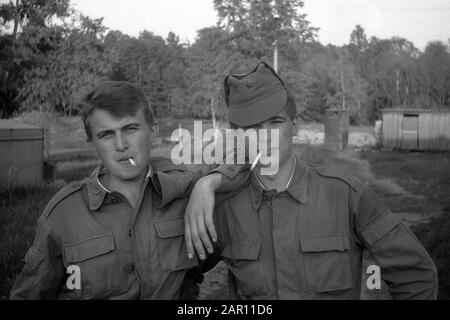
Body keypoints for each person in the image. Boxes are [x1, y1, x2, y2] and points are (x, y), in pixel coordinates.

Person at [184, 62, 438, 299]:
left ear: (295, 125)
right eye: (250, 127)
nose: (264, 137)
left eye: (275, 122)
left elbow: (415, 274)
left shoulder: (344, 196)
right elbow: (178, 274)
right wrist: (205, 183)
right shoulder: (224, 208)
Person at [10, 81, 244, 299]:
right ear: (91, 141)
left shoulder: (185, 191)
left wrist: (208, 183)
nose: (121, 145)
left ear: (153, 129)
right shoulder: (63, 215)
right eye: (106, 134)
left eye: (130, 129)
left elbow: (251, 158)